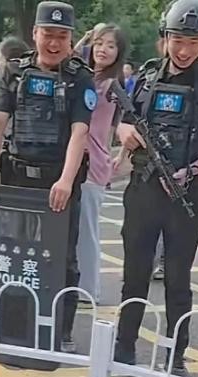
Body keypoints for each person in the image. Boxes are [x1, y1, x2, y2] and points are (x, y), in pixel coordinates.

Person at [114, 0, 198, 376]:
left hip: (184, 195)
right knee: (135, 274)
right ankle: (123, 347)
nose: (184, 50)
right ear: (165, 37)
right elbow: (123, 120)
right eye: (178, 40)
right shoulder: (148, 76)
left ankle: (174, 352)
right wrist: (125, 132)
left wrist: (192, 171)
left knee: (178, 280)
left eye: (194, 42)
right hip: (142, 190)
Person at [0, 1, 96, 354]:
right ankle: (15, 326)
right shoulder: (15, 72)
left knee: (62, 259)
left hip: (57, 184)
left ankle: (62, 331)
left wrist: (66, 180)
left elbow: (79, 132)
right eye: (48, 34)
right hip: (17, 181)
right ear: (35, 34)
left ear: (71, 38)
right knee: (13, 254)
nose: (54, 43)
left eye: (62, 36)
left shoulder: (79, 78)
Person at [74, 23, 126, 304]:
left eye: (110, 45)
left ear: (119, 52)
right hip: (72, 161)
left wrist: (122, 156)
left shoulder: (111, 85)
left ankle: (88, 289)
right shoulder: (86, 76)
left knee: (87, 230)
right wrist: (85, 38)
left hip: (93, 164)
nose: (103, 49)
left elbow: (130, 122)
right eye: (98, 43)